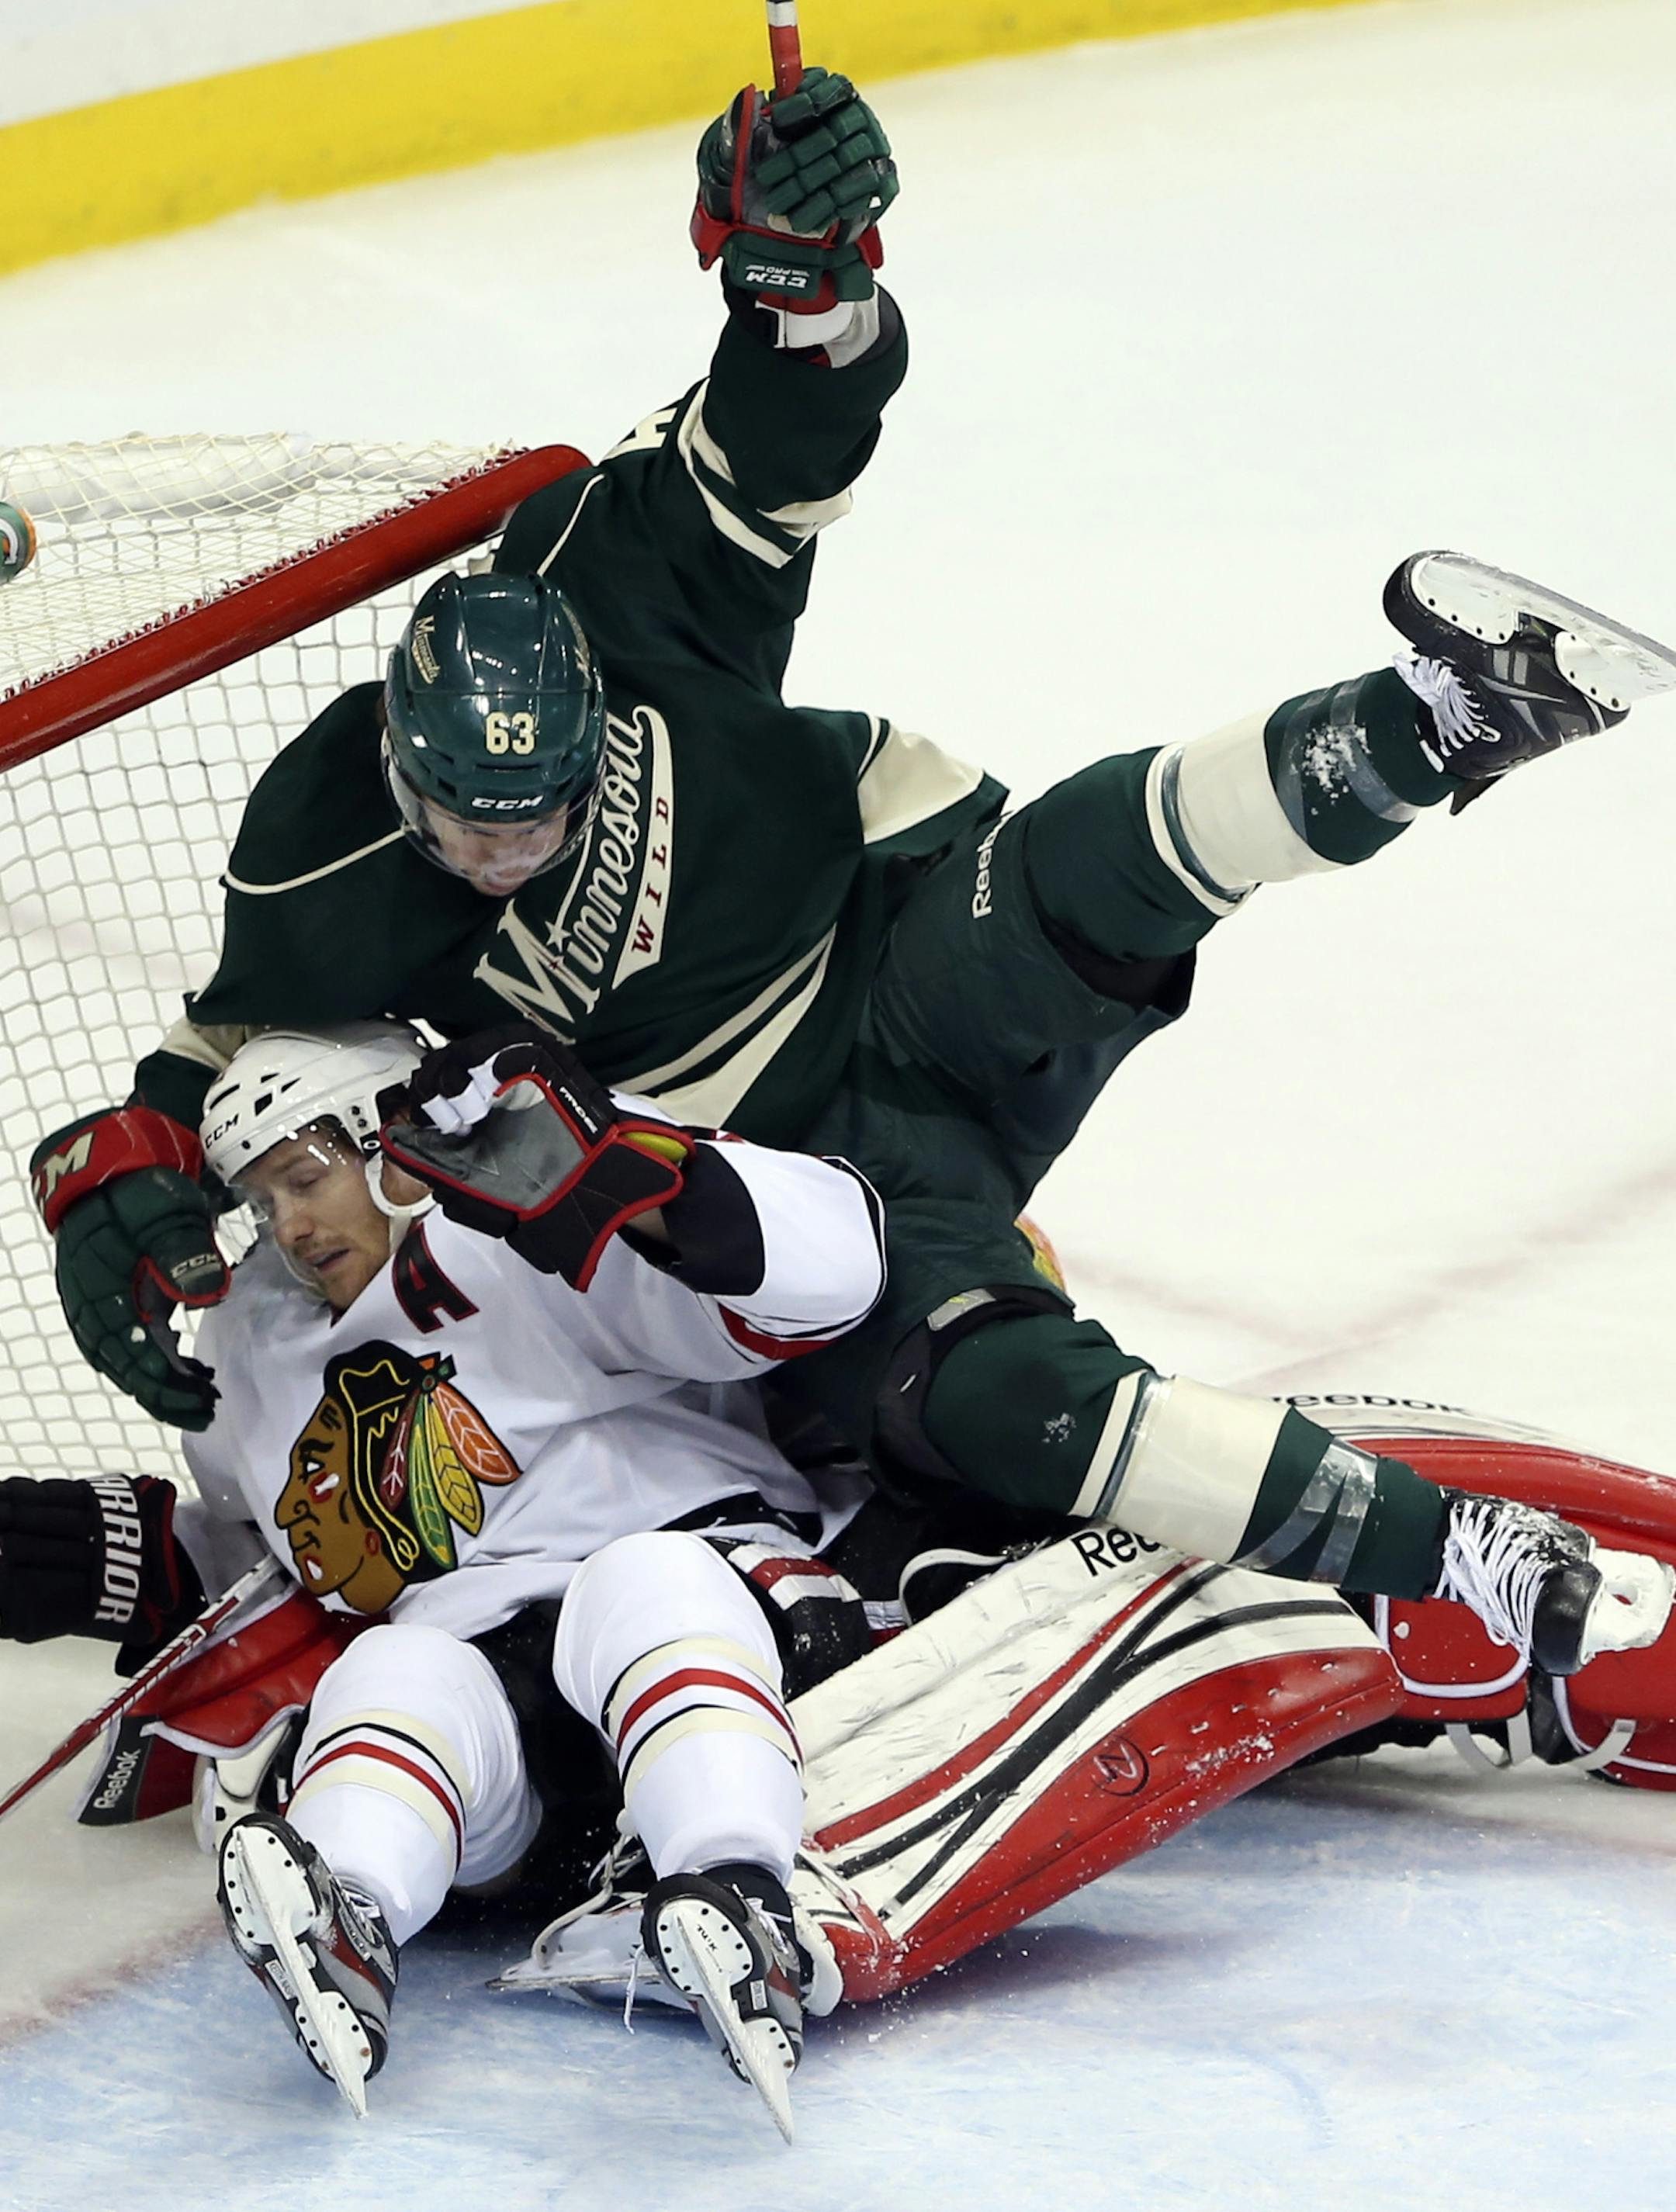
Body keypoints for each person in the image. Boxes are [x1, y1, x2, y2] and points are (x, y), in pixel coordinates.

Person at [29, 66, 1676, 1701]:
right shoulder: (320, 841)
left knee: (1101, 862)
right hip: (798, 1180)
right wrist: (117, 1162)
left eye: (543, 814)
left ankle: (1452, 716)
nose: (506, 854)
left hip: (896, 938)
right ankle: (1449, 1558)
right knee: (989, 1394)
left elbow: (784, 430)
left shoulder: (611, 581)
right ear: (400, 763)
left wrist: (810, 288)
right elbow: (239, 1038)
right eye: (469, 828)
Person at [5, 1018, 891, 2123]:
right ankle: (351, 1913)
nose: (285, 1221)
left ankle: (740, 1888)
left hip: (724, 1607)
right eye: (260, 1197)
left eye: (305, 1176)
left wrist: (628, 1171)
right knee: (396, 1669)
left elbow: (839, 1271)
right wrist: (119, 1558)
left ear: (388, 1144)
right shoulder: (249, 1349)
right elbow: (272, 1564)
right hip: (517, 1759)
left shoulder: (519, 1229)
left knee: (641, 1584)